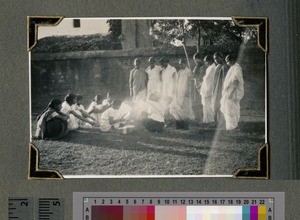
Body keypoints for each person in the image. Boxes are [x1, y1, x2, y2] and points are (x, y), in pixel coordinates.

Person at [220, 54, 244, 131]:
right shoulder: (233, 67)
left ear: (232, 60)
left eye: (228, 61)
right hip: (229, 91)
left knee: (231, 109)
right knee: (229, 109)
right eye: (226, 61)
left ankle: (233, 127)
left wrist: (231, 93)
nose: (227, 63)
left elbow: (236, 81)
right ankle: (231, 126)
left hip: (233, 92)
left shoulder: (237, 68)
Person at [173, 59, 195, 129]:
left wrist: (188, 91)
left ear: (185, 64)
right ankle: (179, 125)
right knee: (179, 108)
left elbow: (191, 83)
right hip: (179, 92)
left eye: (182, 64)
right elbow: (177, 82)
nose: (180, 65)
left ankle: (185, 126)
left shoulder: (189, 72)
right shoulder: (179, 72)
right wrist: (176, 90)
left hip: (185, 92)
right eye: (180, 64)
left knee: (186, 109)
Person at [212, 52, 229, 129]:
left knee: (221, 105)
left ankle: (223, 122)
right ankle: (216, 122)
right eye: (215, 59)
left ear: (222, 57)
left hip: (221, 89)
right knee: (215, 105)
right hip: (215, 88)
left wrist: (223, 90)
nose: (216, 60)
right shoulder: (217, 67)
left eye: (218, 58)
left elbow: (224, 80)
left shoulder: (225, 67)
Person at [200, 55, 216, 123]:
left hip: (209, 88)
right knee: (205, 105)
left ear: (209, 61)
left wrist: (204, 81)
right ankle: (206, 119)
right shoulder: (209, 67)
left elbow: (208, 78)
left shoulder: (213, 67)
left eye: (206, 62)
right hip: (206, 88)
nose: (205, 63)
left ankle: (210, 120)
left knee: (209, 105)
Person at [193, 52, 207, 121]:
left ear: (201, 59)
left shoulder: (205, 67)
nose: (195, 61)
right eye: (194, 60)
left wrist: (200, 85)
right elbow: (194, 77)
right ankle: (197, 117)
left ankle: (203, 117)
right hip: (196, 87)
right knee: (196, 102)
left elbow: (203, 78)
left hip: (203, 87)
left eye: (196, 60)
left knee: (203, 103)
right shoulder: (196, 67)